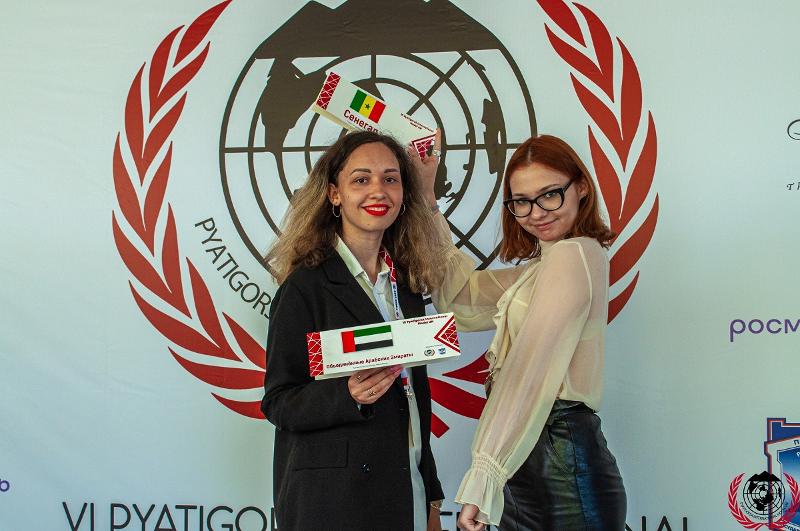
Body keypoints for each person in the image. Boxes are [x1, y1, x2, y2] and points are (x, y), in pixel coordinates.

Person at [419, 133, 627, 530]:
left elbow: (528, 373)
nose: (536, 213)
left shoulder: (574, 255)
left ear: (581, 187)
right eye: (521, 201)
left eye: (550, 195)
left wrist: (485, 476)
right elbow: (462, 297)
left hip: (558, 461)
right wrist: (429, 198)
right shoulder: (542, 269)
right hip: (532, 458)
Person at [261, 130, 447, 531]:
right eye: (361, 179)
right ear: (334, 194)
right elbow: (278, 401)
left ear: (403, 194)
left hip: (405, 493)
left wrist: (430, 493)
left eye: (390, 178)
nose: (378, 190)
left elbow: (414, 399)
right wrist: (346, 395)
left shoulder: (407, 286)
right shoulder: (305, 287)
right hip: (334, 503)